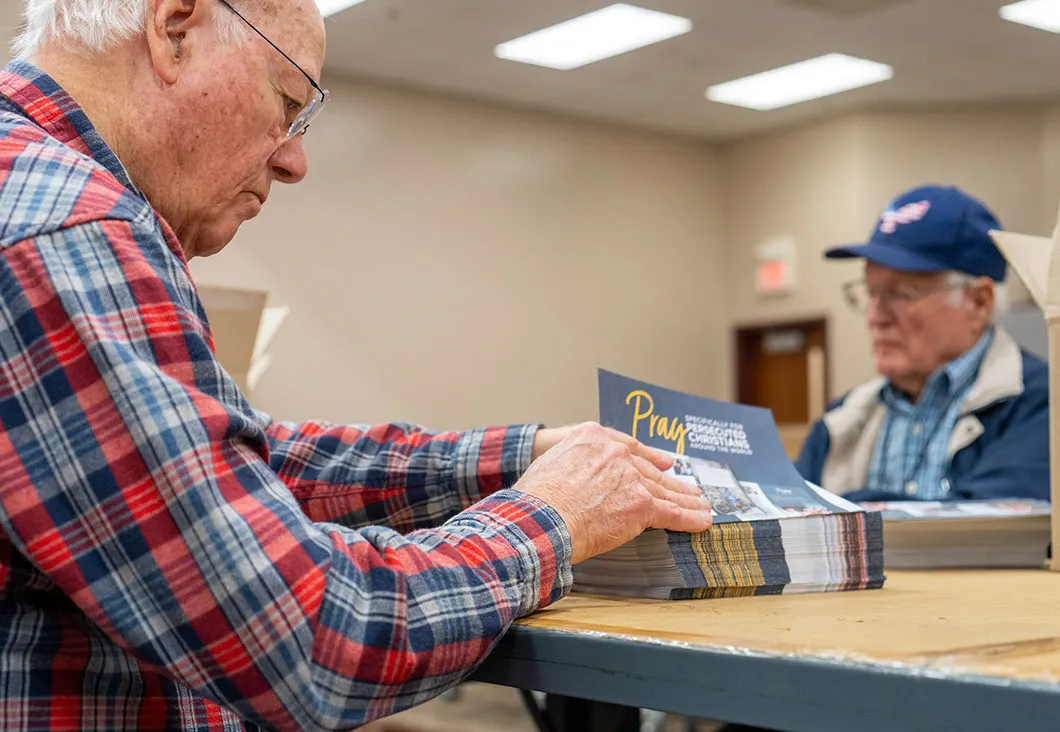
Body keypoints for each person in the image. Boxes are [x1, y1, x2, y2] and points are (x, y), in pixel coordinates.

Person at [0, 1, 714, 730]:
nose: (293, 160)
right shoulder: (67, 228)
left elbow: (245, 467)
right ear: (174, 27)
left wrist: (518, 460)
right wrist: (549, 519)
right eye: (286, 105)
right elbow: (312, 635)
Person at [796, 185, 1049, 502]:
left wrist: (846, 513)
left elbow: (986, 531)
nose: (876, 316)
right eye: (871, 293)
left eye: (902, 294)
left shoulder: (1041, 405)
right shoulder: (842, 419)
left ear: (979, 302)